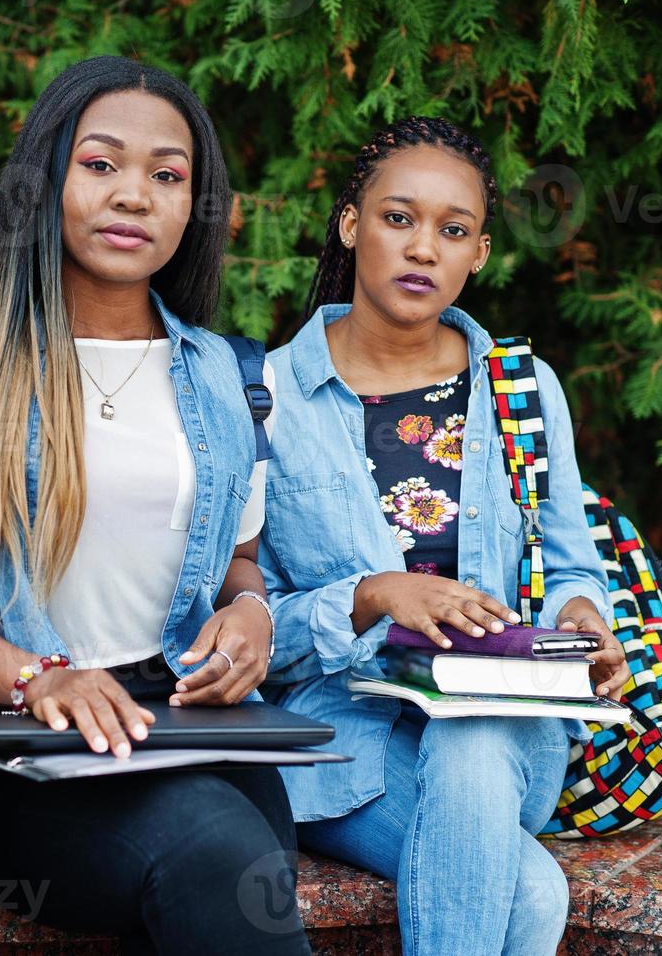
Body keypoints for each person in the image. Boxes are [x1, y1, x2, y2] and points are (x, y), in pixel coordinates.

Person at [0, 55, 311, 954]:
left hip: (194, 728)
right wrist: (41, 678)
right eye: (100, 164)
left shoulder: (232, 378)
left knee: (241, 856)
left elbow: (236, 560)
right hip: (26, 743)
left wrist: (251, 613)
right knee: (218, 857)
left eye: (166, 175)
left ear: (193, 207)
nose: (133, 196)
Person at [255, 115, 631, 955]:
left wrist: (583, 622)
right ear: (351, 225)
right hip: (346, 745)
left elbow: (573, 567)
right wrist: (367, 598)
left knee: (472, 728)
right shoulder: (265, 397)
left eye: (451, 230)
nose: (423, 248)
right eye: (398, 219)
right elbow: (248, 628)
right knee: (530, 897)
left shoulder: (521, 389)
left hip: (510, 731)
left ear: (479, 254)